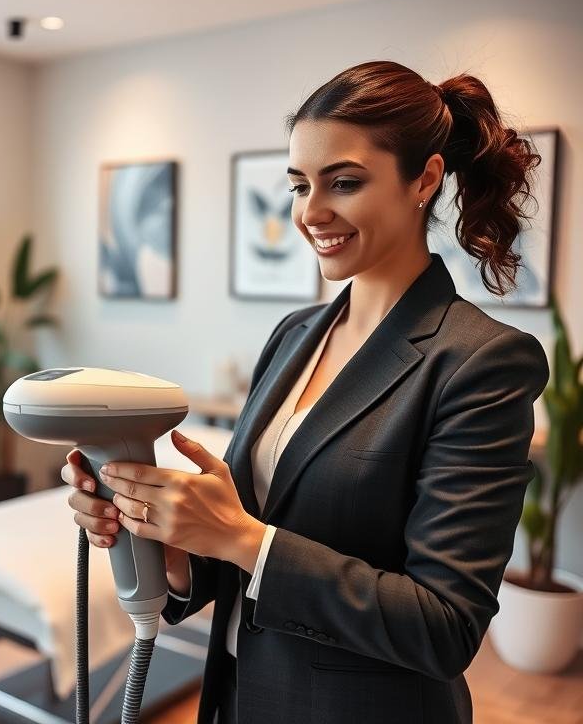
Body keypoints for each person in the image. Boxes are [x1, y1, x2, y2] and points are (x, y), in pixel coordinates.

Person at [61, 60, 550, 724]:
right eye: (297, 185)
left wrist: (242, 540)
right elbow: (237, 550)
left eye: (343, 183)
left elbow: (444, 627)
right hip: (238, 700)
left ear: (425, 180)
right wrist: (168, 537)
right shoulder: (294, 337)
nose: (310, 213)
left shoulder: (481, 362)